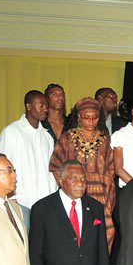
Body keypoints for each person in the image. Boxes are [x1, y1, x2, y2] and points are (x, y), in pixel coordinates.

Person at [49, 98, 116, 251]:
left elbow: (111, 170)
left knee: (107, 232)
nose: (91, 121)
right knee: (75, 232)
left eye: (95, 117)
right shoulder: (67, 138)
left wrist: (108, 199)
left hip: (100, 194)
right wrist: (66, 190)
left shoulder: (105, 139)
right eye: (86, 117)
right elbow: (55, 166)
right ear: (78, 116)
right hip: (74, 194)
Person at [0, 90, 57, 217]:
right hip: (20, 201)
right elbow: (2, 167)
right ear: (29, 106)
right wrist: (10, 196)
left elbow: (51, 171)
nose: (45, 109)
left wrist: (52, 197)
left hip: (44, 203)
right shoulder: (12, 132)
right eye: (41, 105)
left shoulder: (47, 137)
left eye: (46, 105)